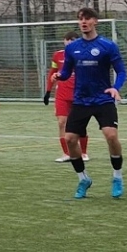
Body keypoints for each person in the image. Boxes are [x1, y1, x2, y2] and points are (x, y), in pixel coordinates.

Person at [56, 7, 127, 199]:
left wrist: (116, 87)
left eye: (87, 18)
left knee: (111, 135)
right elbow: (66, 72)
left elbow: (121, 71)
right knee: (70, 139)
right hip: (81, 100)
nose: (83, 22)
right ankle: (83, 179)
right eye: (80, 19)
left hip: (103, 98)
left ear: (95, 21)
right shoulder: (72, 48)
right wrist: (59, 76)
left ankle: (117, 176)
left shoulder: (108, 46)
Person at [44, 31, 88, 163]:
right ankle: (67, 153)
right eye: (67, 40)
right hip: (61, 96)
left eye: (72, 40)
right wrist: (48, 91)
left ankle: (83, 152)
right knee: (61, 123)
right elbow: (52, 73)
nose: (69, 42)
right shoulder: (57, 55)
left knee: (80, 125)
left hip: (78, 95)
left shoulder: (83, 55)